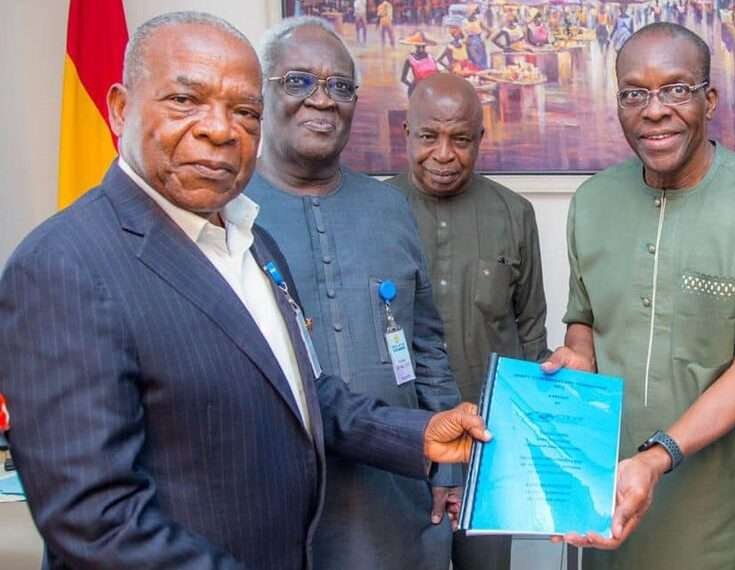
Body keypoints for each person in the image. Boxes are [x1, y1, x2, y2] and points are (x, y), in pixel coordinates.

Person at [0, 12, 490, 570]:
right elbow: (98, 522)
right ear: (119, 109)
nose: (219, 129)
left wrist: (419, 432)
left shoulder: (251, 243)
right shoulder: (64, 265)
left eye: (244, 111)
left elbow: (305, 394)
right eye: (186, 100)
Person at [544, 22, 735, 570]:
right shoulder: (593, 201)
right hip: (611, 492)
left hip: (720, 512)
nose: (654, 109)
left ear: (709, 99)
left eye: (676, 89)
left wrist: (657, 457)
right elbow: (585, 319)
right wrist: (577, 355)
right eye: (634, 93)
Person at [245, 17, 461, 570]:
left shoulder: (389, 207)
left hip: (393, 495)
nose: (323, 100)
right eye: (299, 82)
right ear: (262, 92)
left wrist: (451, 471)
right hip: (274, 494)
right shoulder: (227, 210)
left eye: (340, 86)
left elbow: (426, 346)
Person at [388, 73, 551, 570]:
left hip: (489, 454)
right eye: (428, 137)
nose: (444, 154)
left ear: (481, 138)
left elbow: (530, 333)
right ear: (406, 133)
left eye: (460, 139)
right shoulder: (374, 211)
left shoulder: (515, 214)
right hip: (398, 449)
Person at [400, 31, 441, 96]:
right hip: (417, 92)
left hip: (430, 91)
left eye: (423, 46)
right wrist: (412, 87)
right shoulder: (410, 59)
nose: (421, 49)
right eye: (419, 47)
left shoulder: (430, 57)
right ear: (415, 46)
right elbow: (403, 79)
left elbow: (437, 74)